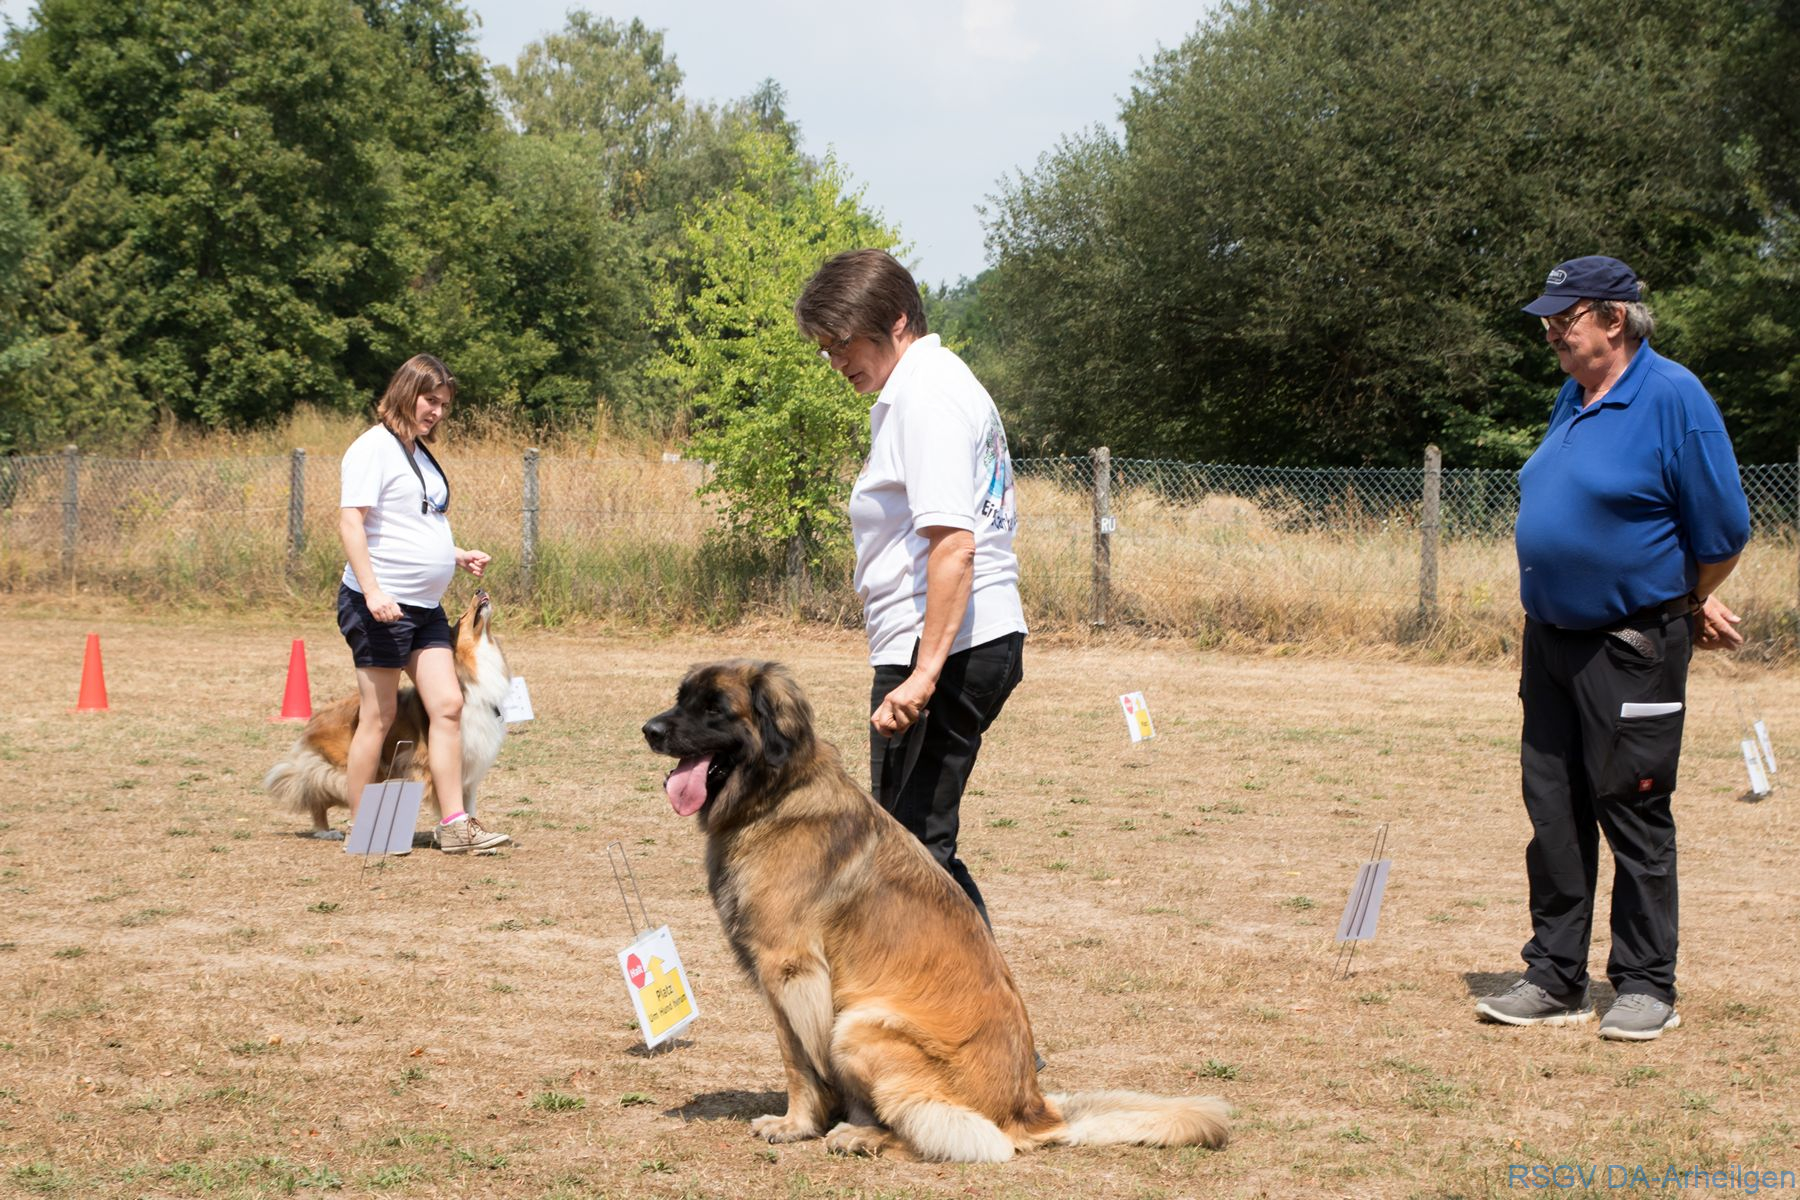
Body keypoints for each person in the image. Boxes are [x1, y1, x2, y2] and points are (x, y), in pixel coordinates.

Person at [1476, 256, 1750, 1040]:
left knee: (1632, 807)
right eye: (1547, 322)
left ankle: (1645, 984)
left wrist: (1685, 599)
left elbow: (1723, 532)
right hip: (1551, 641)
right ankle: (1554, 975)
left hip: (1630, 645)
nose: (1551, 334)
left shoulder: (1673, 397)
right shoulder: (1573, 394)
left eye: (1564, 320)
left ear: (1615, 319)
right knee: (1554, 813)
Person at [795, 249, 1027, 928]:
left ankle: (977, 995)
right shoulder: (926, 388)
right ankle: (973, 990)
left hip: (943, 650)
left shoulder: (927, 398)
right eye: (825, 348)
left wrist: (923, 677)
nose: (835, 360)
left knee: (911, 855)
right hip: (952, 642)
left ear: (896, 321)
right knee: (911, 847)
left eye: (843, 341)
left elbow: (955, 545)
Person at [337, 354, 510, 855]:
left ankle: (454, 824)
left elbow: (414, 521)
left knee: (448, 705)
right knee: (380, 715)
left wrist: (454, 554)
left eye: (444, 405)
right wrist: (373, 591)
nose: (436, 412)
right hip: (380, 605)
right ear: (405, 392)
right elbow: (352, 523)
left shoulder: (417, 452)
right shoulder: (373, 448)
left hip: (424, 608)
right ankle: (362, 828)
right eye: (429, 400)